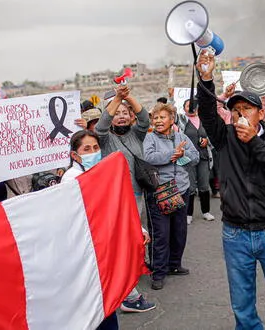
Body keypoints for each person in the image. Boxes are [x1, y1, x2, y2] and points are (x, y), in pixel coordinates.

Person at [196, 51, 265, 330]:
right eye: (234, 110)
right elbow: (208, 113)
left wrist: (253, 143)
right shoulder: (224, 139)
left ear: (261, 113)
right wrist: (206, 78)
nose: (239, 114)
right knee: (243, 307)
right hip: (235, 234)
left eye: (246, 109)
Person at [61, 130, 156, 323]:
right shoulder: (71, 180)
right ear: (74, 155)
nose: (93, 152)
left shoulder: (104, 172)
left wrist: (139, 229)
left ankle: (127, 300)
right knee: (98, 303)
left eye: (96, 147)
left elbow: (120, 205)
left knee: (110, 297)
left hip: (106, 241)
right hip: (89, 248)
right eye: (86, 149)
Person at [94, 85, 154, 309]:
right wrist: (117, 100)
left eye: (125, 112)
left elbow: (145, 118)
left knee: (138, 239)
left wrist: (127, 97)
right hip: (115, 200)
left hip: (137, 196)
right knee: (123, 242)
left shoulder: (136, 134)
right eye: (116, 113)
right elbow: (100, 127)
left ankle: (131, 277)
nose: (121, 116)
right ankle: (128, 292)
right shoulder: (104, 139)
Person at [144, 102, 199, 290]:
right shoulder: (150, 138)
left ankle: (174, 265)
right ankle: (158, 272)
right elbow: (148, 157)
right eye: (155, 118)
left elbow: (196, 157)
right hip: (160, 192)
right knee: (161, 234)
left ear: (172, 119)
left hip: (182, 190)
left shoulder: (182, 136)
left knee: (179, 232)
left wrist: (183, 154)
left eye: (162, 117)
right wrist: (171, 154)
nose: (158, 121)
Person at [177, 99, 215, 224]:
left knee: (204, 185)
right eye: (188, 105)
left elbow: (212, 135)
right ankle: (188, 214)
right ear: (184, 108)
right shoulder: (182, 120)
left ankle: (206, 212)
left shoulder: (204, 120)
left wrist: (206, 141)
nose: (191, 108)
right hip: (188, 158)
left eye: (193, 106)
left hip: (203, 157)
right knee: (191, 186)